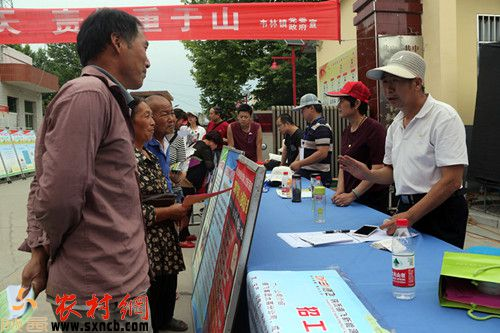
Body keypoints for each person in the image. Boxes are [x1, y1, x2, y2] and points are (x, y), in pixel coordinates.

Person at [18, 8, 152, 330]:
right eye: (145, 47)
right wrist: (44, 249)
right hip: (98, 293)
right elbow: (58, 195)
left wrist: (41, 248)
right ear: (117, 42)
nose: (147, 60)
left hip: (116, 283)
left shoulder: (106, 97)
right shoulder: (87, 95)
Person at [339, 51, 469, 248]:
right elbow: (391, 172)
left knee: (436, 273)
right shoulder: (395, 125)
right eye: (385, 82)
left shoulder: (444, 117)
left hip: (441, 211)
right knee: (404, 269)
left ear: (417, 83)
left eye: (396, 81)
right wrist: (368, 174)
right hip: (406, 207)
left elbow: (451, 180)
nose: (388, 89)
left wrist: (409, 216)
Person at [132, 99, 189, 333]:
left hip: (164, 229)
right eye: (148, 116)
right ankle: (155, 323)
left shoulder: (151, 152)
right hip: (148, 233)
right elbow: (129, 209)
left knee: (168, 277)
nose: (154, 122)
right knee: (153, 284)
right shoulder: (127, 159)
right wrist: (169, 211)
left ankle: (166, 319)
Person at [325, 81, 389, 213]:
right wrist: (340, 190)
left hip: (370, 202)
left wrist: (353, 195)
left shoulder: (375, 129)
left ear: (357, 103)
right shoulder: (346, 131)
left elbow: (378, 169)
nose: (338, 106)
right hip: (348, 200)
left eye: (342, 101)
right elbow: (344, 164)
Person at [290, 93, 333, 187]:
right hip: (307, 174)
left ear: (312, 108)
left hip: (317, 177)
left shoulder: (321, 127)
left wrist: (299, 163)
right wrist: (296, 162)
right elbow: (303, 148)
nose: (302, 113)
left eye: (303, 110)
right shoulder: (310, 127)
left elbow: (322, 153)